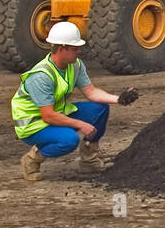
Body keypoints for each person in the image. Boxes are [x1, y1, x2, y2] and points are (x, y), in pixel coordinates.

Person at [12, 21, 140, 182]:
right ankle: (32, 159)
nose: (79, 52)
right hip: (33, 125)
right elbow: (48, 116)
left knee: (99, 109)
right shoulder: (41, 76)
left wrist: (119, 99)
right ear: (60, 49)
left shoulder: (75, 65)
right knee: (69, 140)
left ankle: (89, 160)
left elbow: (91, 92)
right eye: (74, 49)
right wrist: (80, 125)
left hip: (56, 113)